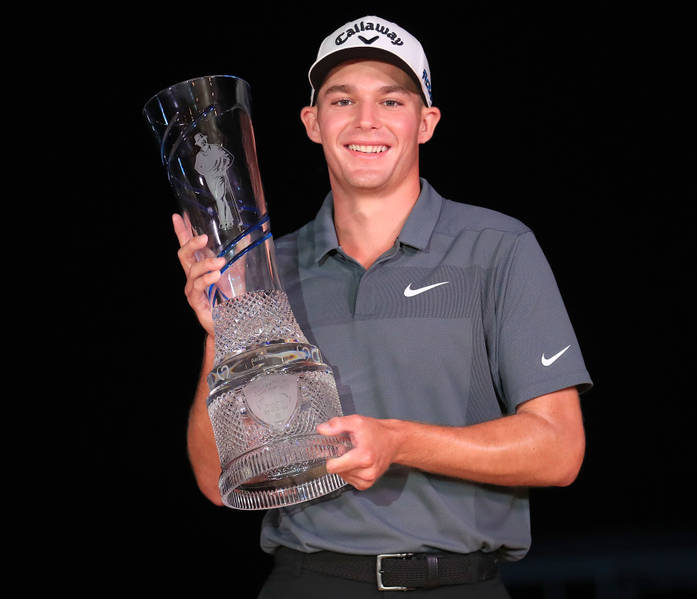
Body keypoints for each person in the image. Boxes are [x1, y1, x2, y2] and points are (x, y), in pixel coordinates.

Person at [171, 15, 592, 598]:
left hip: (459, 585)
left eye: (392, 101)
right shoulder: (268, 271)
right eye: (343, 100)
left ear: (426, 122)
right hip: (308, 581)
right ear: (313, 123)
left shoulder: (499, 249)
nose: (366, 121)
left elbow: (559, 450)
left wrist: (398, 442)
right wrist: (222, 337)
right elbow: (219, 483)